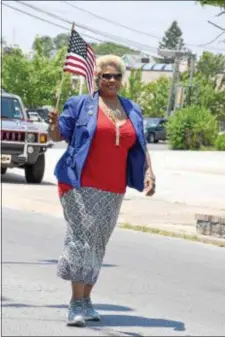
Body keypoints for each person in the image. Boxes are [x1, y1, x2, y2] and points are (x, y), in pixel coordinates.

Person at [48, 54, 156, 327]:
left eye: (116, 76)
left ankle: (86, 300)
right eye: (105, 75)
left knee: (97, 243)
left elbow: (141, 144)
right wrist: (53, 123)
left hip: (113, 188)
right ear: (96, 78)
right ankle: (75, 303)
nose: (110, 80)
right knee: (80, 238)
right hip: (78, 183)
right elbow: (58, 136)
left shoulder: (132, 109)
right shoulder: (81, 104)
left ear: (122, 80)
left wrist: (148, 171)